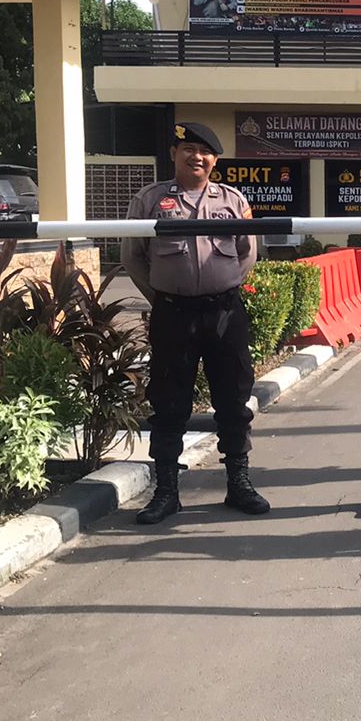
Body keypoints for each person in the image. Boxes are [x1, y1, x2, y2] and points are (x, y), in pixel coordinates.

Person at [123, 120, 269, 525]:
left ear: (215, 160)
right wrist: (162, 296)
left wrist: (223, 287)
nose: (197, 157)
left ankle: (238, 483)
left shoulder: (232, 200)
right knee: (168, 403)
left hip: (224, 312)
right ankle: (167, 491)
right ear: (175, 154)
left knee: (233, 401)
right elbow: (132, 256)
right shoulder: (150, 200)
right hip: (173, 314)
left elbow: (247, 253)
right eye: (188, 149)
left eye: (205, 152)